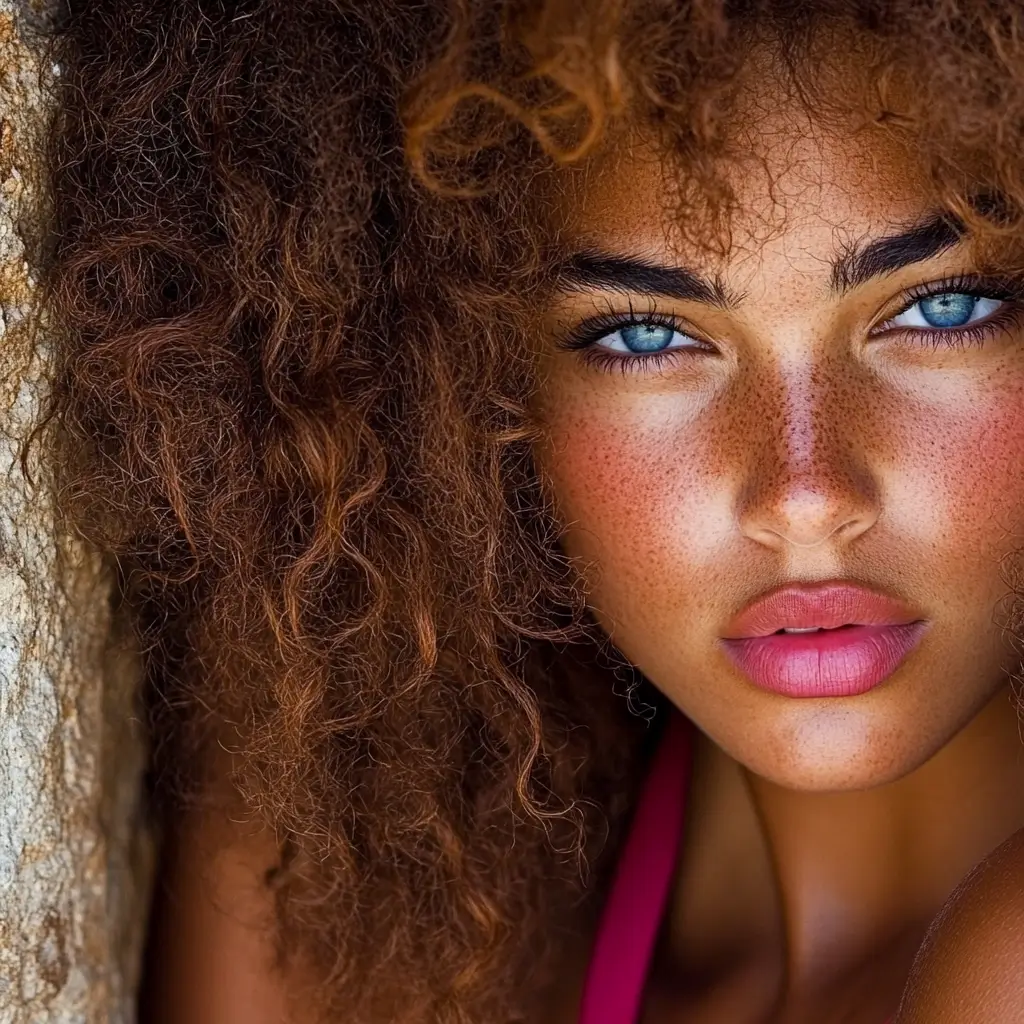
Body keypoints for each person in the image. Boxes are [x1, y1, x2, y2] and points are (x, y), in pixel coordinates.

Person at [29, 0, 1024, 1021]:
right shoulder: (389, 855)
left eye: (941, 309)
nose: (805, 496)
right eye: (643, 337)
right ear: (456, 388)